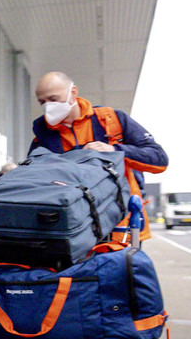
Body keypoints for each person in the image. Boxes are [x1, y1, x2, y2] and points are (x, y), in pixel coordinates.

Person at [31, 71, 167, 236]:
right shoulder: (43, 137)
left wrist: (115, 150)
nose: (48, 106)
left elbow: (158, 159)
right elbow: (34, 180)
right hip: (74, 228)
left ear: (73, 93)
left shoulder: (111, 119)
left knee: (123, 262)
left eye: (53, 99)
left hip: (121, 225)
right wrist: (79, 157)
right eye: (42, 102)